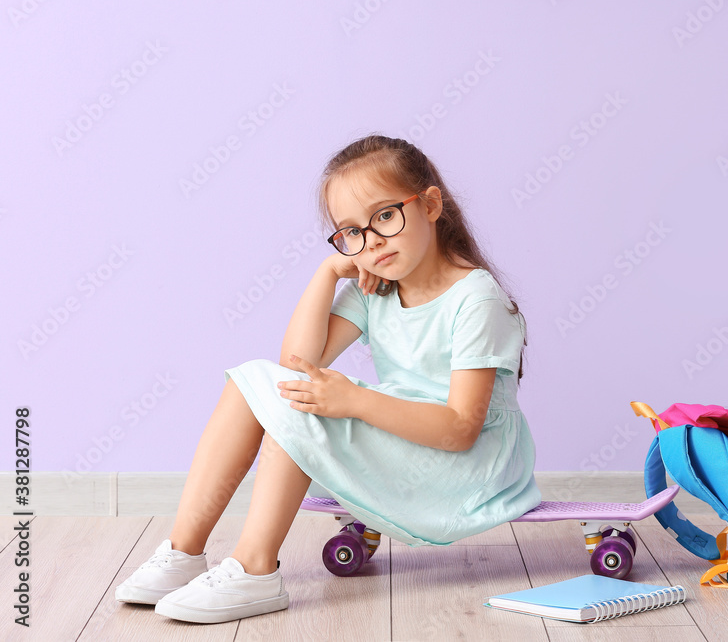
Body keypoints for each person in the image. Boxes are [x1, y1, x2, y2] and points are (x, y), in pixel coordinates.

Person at [114, 134, 543, 624]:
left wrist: (354, 402)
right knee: (258, 383)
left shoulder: (475, 299)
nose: (373, 241)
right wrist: (327, 273)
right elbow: (296, 363)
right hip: (403, 442)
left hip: (467, 472)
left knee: (302, 405)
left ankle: (256, 568)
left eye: (384, 216)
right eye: (351, 232)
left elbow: (461, 428)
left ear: (429, 204)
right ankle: (183, 551)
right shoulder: (376, 286)